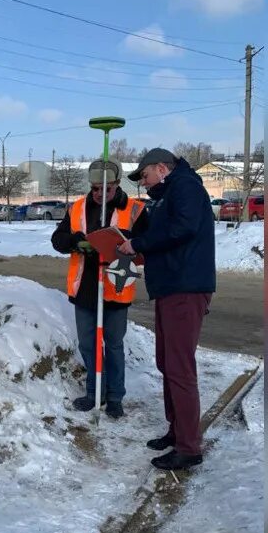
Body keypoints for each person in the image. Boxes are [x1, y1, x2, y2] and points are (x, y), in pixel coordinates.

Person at [120, 148, 214, 470]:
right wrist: (132, 240)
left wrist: (140, 244)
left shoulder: (185, 186)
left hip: (185, 288)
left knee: (179, 368)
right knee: (167, 363)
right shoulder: (167, 195)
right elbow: (157, 232)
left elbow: (182, 228)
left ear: (162, 168)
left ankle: (189, 447)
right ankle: (177, 432)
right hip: (171, 288)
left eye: (145, 176)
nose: (144, 184)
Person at [51, 160, 149, 419]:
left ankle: (115, 397)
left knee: (114, 345)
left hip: (116, 287)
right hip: (85, 288)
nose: (99, 193)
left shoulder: (135, 210)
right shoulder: (78, 208)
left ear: (117, 185)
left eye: (105, 188)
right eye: (95, 188)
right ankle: (95, 392)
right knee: (88, 344)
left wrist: (126, 242)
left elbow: (147, 246)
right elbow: (57, 240)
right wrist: (75, 242)